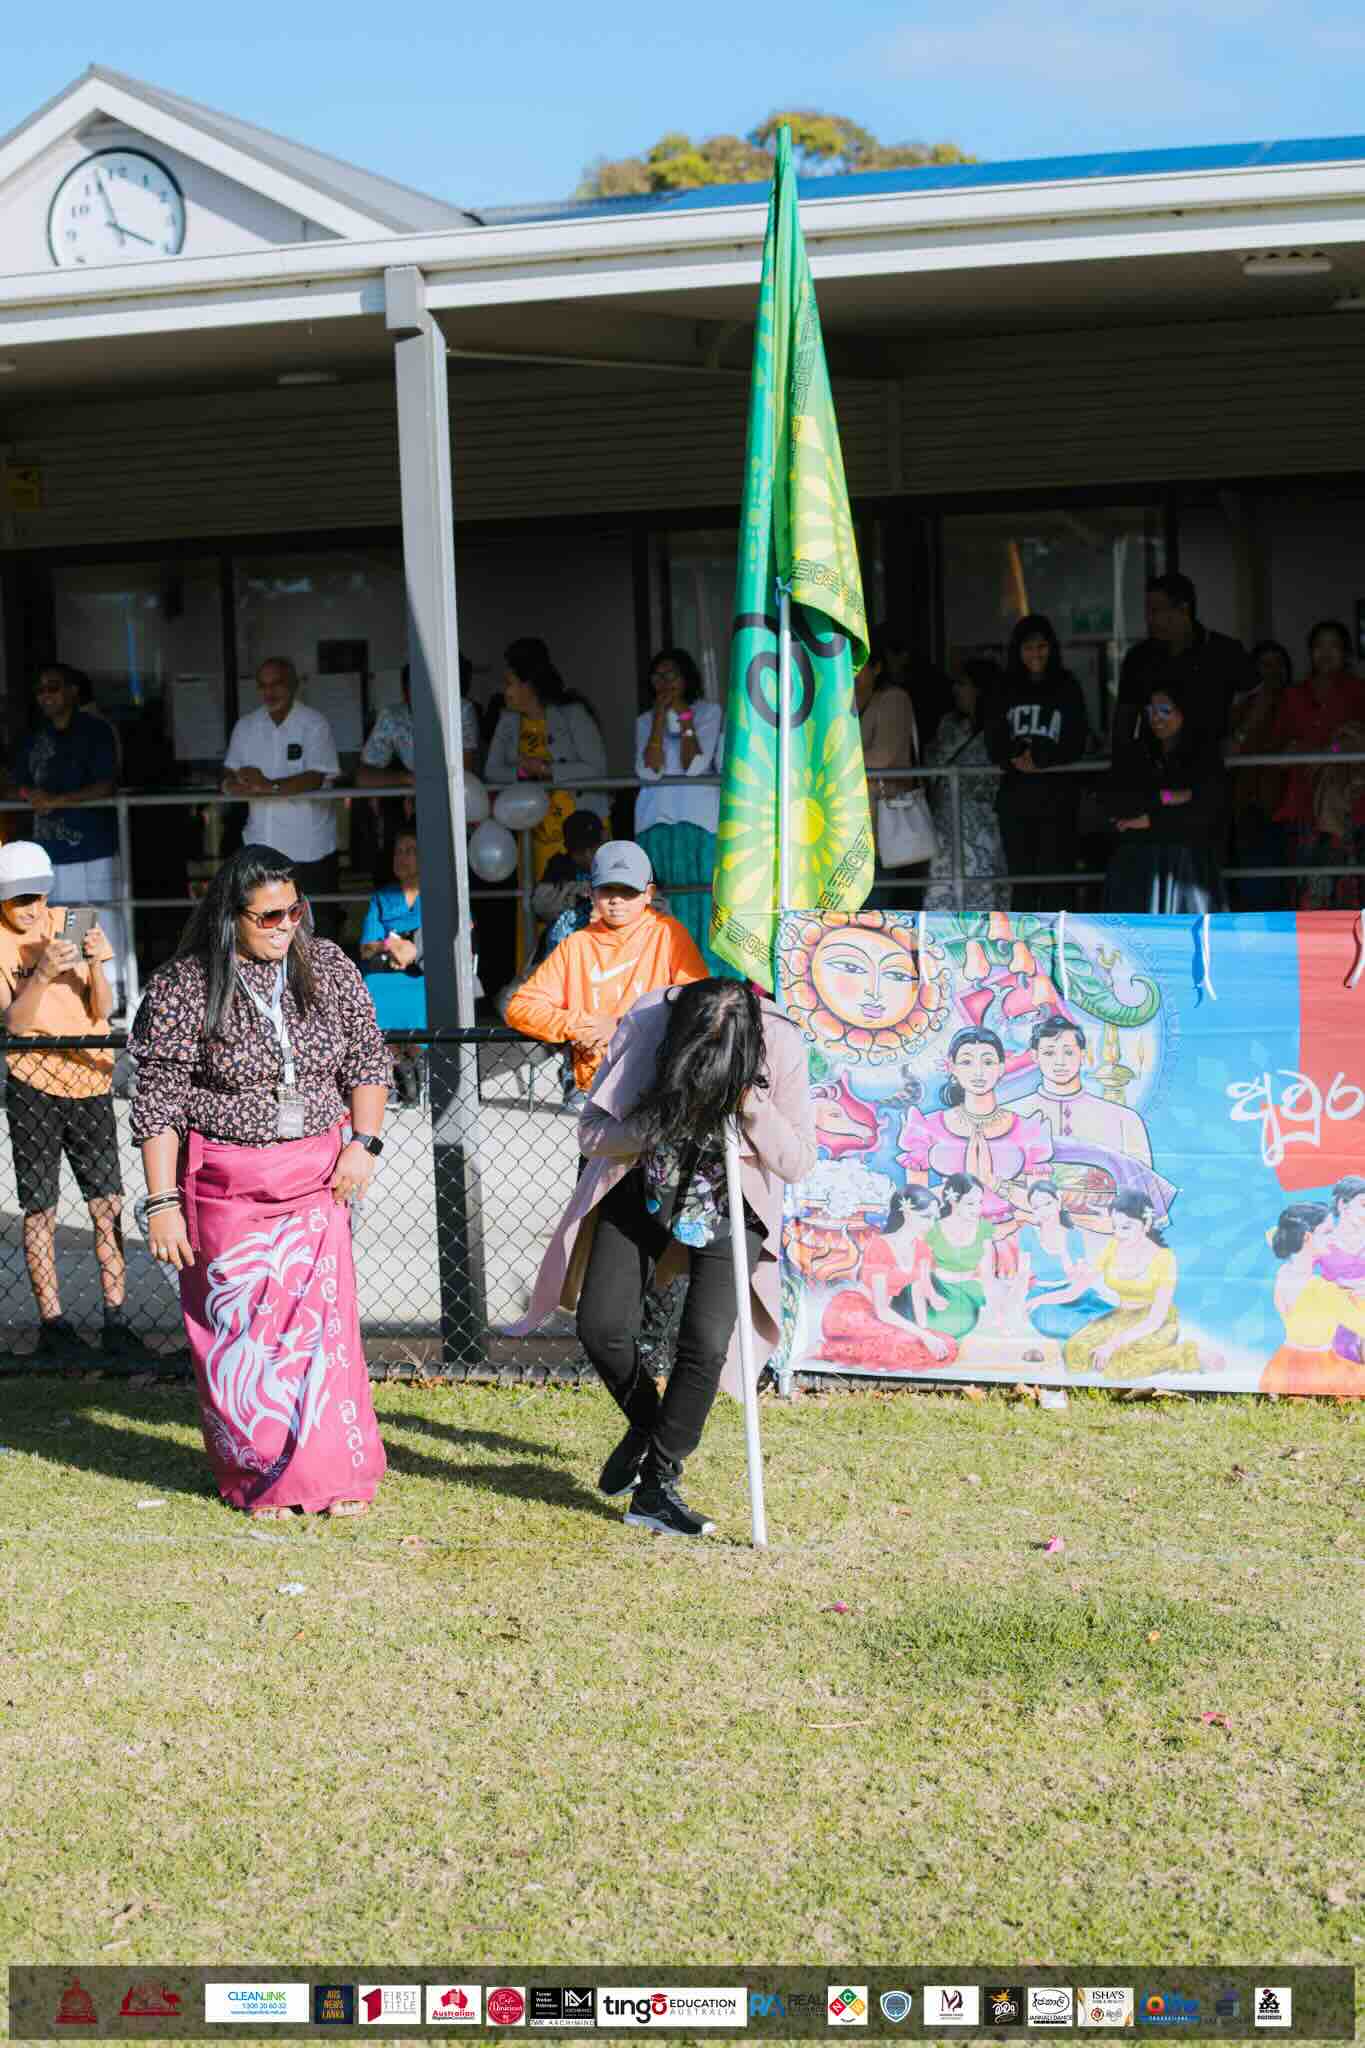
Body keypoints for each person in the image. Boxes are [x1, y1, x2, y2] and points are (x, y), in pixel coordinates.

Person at [129, 844, 391, 1519]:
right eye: (268, 915)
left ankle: (332, 1475)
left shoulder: (328, 966)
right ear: (229, 916)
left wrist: (363, 1143)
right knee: (240, 1334)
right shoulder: (183, 985)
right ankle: (259, 1478)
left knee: (320, 1335)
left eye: (294, 911)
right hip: (225, 1183)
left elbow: (367, 1057)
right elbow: (157, 1102)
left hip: (317, 1178)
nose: (285, 926)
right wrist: (161, 1204)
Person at [513, 979, 817, 1537]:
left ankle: (656, 1486)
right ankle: (649, 1427)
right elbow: (592, 1134)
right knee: (600, 1325)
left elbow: (797, 1161)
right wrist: (657, 1122)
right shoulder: (649, 1022)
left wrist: (751, 1107)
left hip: (732, 1198)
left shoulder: (780, 1040)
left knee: (704, 1343)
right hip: (647, 1184)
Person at [0, 841, 143, 1361]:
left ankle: (116, 1317)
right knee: (40, 1207)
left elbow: (102, 1007)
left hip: (90, 1079)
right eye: (19, 900)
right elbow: (12, 1023)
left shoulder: (71, 921)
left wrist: (93, 966)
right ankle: (52, 1324)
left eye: (37, 896)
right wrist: (40, 975)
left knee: (106, 1202)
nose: (32, 909)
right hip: (31, 1080)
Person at [505, 840, 706, 1097]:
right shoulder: (576, 945)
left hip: (659, 1082)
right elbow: (521, 1007)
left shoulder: (669, 934)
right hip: (595, 1086)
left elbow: (698, 1003)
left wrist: (622, 1026)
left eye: (629, 891)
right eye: (607, 890)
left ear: (649, 893)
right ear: (590, 892)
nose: (617, 900)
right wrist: (580, 1025)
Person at [11, 664, 125, 1007]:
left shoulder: (96, 731)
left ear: (73, 691)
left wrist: (57, 800)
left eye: (54, 687)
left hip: (94, 845)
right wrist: (27, 795)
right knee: (65, 923)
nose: (47, 695)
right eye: (41, 690)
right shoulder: (35, 738)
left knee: (105, 919)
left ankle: (114, 992)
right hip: (52, 849)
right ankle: (77, 996)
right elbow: (16, 780)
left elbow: (106, 784)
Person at [223, 658, 343, 936]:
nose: (269, 692)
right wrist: (234, 784)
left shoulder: (314, 723)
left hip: (308, 849)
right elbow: (228, 772)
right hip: (259, 845)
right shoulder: (247, 725)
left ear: (294, 684)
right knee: (262, 930)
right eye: (263, 685)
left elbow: (316, 777)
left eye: (276, 684)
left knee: (316, 931)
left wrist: (267, 786)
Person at [898, 1025, 1053, 1228]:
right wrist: (958, 1190)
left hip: (1010, 1233)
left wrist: (994, 1183)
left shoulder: (1027, 1130)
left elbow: (1045, 1207)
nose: (978, 1072)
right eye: (966, 1062)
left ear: (1001, 1068)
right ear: (952, 1067)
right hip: (947, 1239)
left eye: (987, 1062)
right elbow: (913, 1205)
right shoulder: (927, 1127)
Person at [633, 648, 727, 973]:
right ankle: (664, 973)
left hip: (698, 822)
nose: (664, 682)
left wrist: (685, 718)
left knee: (700, 899)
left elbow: (694, 765)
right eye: (658, 676)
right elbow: (650, 771)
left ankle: (703, 976)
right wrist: (660, 718)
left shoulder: (709, 712)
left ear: (687, 678)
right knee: (661, 899)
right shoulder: (645, 720)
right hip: (655, 821)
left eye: (671, 674)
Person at [986, 614, 1088, 912]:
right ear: (1017, 651)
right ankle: (1025, 952)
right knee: (1024, 883)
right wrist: (1014, 756)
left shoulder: (1067, 686)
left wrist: (1043, 757)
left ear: (1052, 648)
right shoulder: (1003, 687)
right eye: (1028, 647)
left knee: (1057, 881)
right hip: (1016, 800)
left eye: (1042, 646)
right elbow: (993, 738)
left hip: (1057, 800)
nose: (1036, 654)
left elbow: (1077, 739)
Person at [484, 638, 608, 882]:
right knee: (540, 900)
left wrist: (546, 770)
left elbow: (596, 768)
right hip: (533, 832)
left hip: (580, 832)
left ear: (528, 686)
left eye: (509, 683)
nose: (505, 691)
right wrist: (521, 772)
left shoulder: (573, 714)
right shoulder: (508, 721)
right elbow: (491, 771)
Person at [1103, 675, 1228, 914]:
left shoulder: (1204, 756)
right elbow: (1116, 803)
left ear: (1184, 711)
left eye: (1165, 710)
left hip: (1187, 868)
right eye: (1150, 711)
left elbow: (1206, 812)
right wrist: (1167, 797)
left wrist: (1149, 820)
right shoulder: (1137, 752)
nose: (1156, 718)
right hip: (1137, 869)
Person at [1268, 620, 1365, 911]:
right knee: (1308, 887)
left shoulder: (1359, 692)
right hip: (1304, 804)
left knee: (1349, 885)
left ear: (1345, 652)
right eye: (1319, 646)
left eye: (1333, 646)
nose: (1326, 652)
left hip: (1349, 804)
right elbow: (1279, 746)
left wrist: (1324, 751)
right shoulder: (1294, 695)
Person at [1062, 1191, 1201, 1379]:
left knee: (1118, 1363)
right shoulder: (1113, 1246)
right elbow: (1083, 1281)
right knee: (1074, 1350)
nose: (1118, 1234)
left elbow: (1155, 1319)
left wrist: (1112, 1345)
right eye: (1115, 1227)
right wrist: (1077, 1274)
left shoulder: (1164, 1258)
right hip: (1120, 1317)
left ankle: (1183, 1352)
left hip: (1155, 1322)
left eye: (1126, 1227)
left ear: (1147, 1224)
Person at [819, 1184, 957, 1371]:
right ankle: (831, 1348)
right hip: (855, 1312)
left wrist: (925, 1332)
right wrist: (923, 1336)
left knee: (945, 1344)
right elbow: (882, 1310)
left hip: (884, 1318)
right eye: (926, 1217)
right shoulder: (880, 1246)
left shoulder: (922, 1249)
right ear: (907, 1214)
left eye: (934, 1218)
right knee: (900, 1345)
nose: (932, 1224)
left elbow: (917, 1296)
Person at [1114, 572, 1254, 746]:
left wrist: (1239, 737)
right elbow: (1124, 720)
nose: (1149, 619)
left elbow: (1258, 694)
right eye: (1147, 611)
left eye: (1155, 611)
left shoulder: (1222, 650)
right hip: (1152, 766)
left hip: (1208, 764)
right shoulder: (1139, 657)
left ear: (1183, 608)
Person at [923, 664, 1010, 912]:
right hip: (945, 825)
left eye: (962, 683)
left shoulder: (998, 729)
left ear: (979, 689)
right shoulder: (948, 724)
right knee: (943, 894)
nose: (955, 689)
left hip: (983, 827)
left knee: (984, 893)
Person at [1260, 1200, 1365, 1396]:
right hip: (1320, 1371)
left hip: (1285, 1365)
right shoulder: (1322, 1290)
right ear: (1307, 1237)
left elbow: (1273, 1235)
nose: (1332, 1238)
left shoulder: (1284, 1273)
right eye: (1327, 1232)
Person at [1227, 639, 1294, 910]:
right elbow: (1229, 751)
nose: (1273, 671)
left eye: (1279, 664)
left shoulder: (1299, 701)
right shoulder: (1244, 706)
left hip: (1290, 804)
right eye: (1265, 664)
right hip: (1250, 804)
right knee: (1255, 884)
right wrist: (1253, 719)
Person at [856, 634, 920, 909]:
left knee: (876, 905)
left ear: (878, 667)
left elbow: (885, 755)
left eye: (857, 664)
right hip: (860, 824)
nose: (849, 672)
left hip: (884, 822)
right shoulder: (857, 701)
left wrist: (834, 764)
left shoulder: (893, 699)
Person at [360, 828, 425, 1031]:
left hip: (427, 972)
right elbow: (366, 949)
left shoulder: (439, 892)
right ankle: (390, 1056)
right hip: (388, 969)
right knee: (371, 985)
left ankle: (418, 1057)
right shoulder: (382, 897)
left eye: (410, 851)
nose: (401, 857)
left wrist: (413, 950)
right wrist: (391, 944)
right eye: (398, 852)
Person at [530, 809, 605, 943]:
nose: (588, 856)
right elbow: (541, 907)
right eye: (581, 851)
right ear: (568, 850)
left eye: (593, 848)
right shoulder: (560, 866)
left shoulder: (617, 864)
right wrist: (576, 895)